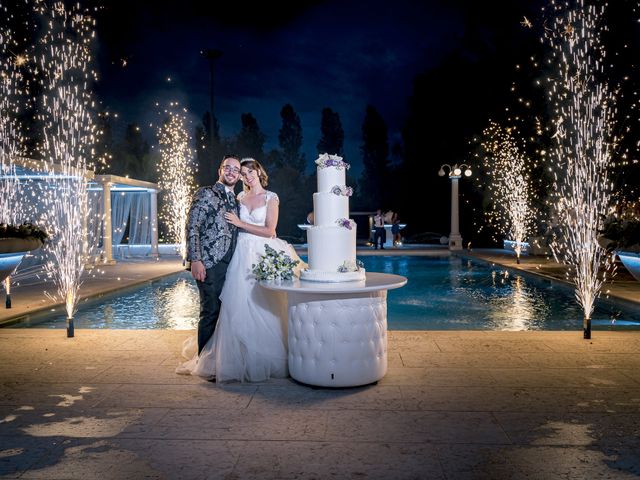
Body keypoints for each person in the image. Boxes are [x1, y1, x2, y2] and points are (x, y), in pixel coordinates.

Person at [178, 157, 304, 383]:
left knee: (261, 306)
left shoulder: (269, 197)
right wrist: (195, 259)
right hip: (235, 256)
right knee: (230, 307)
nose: (246, 176)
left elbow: (270, 231)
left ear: (259, 172)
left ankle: (257, 356)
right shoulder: (234, 196)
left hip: (255, 253)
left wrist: (240, 223)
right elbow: (195, 226)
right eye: (241, 172)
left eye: (248, 171)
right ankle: (218, 359)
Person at [178, 155, 241, 378]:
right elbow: (192, 226)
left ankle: (217, 359)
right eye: (228, 168)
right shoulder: (206, 192)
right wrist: (195, 260)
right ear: (219, 170)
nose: (232, 172)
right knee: (210, 310)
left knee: (224, 313)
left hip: (231, 264)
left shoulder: (237, 200)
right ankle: (204, 364)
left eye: (236, 169)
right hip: (209, 262)